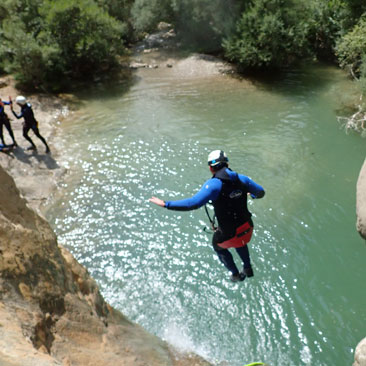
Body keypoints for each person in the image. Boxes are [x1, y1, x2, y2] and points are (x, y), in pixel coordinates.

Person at [149, 150, 265, 282]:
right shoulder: (242, 179)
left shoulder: (214, 185)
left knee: (219, 246)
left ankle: (235, 274)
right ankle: (248, 267)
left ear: (211, 168)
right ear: (227, 164)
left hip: (229, 234)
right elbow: (260, 192)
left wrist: (165, 204)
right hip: (247, 228)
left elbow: (192, 203)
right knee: (240, 240)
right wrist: (252, 194)